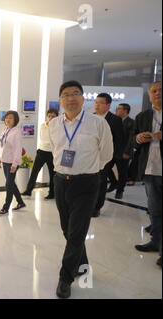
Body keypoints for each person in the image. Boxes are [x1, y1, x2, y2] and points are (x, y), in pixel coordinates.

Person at [49, 80, 113, 298]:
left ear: (83, 98)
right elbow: (54, 151)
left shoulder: (97, 123)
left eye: (76, 93)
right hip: (60, 181)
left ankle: (65, 278)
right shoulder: (54, 124)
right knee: (68, 230)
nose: (71, 98)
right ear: (60, 100)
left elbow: (106, 155)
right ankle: (82, 262)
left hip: (86, 183)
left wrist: (88, 170)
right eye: (66, 94)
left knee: (77, 232)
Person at [133, 81, 162, 268]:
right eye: (154, 91)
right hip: (150, 170)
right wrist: (138, 138)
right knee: (155, 211)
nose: (158, 93)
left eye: (161, 90)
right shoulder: (143, 116)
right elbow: (133, 140)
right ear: (149, 95)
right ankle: (156, 241)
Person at [93, 93, 125, 217]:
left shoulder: (115, 119)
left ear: (108, 105)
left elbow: (119, 139)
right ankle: (90, 203)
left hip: (106, 157)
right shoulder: (91, 117)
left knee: (101, 181)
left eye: (100, 102)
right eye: (96, 102)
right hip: (91, 156)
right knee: (92, 181)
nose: (97, 105)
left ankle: (97, 206)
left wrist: (112, 157)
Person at [21, 109, 59, 200]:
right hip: (41, 151)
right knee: (34, 172)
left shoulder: (58, 127)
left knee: (52, 174)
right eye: (49, 116)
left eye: (53, 116)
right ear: (47, 116)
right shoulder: (42, 125)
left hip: (52, 153)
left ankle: (52, 193)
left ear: (57, 117)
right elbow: (42, 138)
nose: (50, 118)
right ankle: (28, 191)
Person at [0, 110, 26, 215]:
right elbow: (2, 146)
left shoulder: (16, 132)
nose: (8, 120)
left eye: (11, 118)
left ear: (15, 120)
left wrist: (15, 164)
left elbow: (18, 149)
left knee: (8, 184)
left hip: (12, 162)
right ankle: (21, 202)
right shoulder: (5, 130)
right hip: (5, 161)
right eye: (6, 117)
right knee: (11, 183)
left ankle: (5, 207)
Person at [114, 103, 136, 198]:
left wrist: (127, 152)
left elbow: (131, 139)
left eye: (119, 109)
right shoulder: (114, 120)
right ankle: (114, 183)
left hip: (123, 153)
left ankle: (120, 191)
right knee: (105, 170)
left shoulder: (132, 122)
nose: (116, 110)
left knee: (122, 173)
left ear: (125, 111)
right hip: (112, 151)